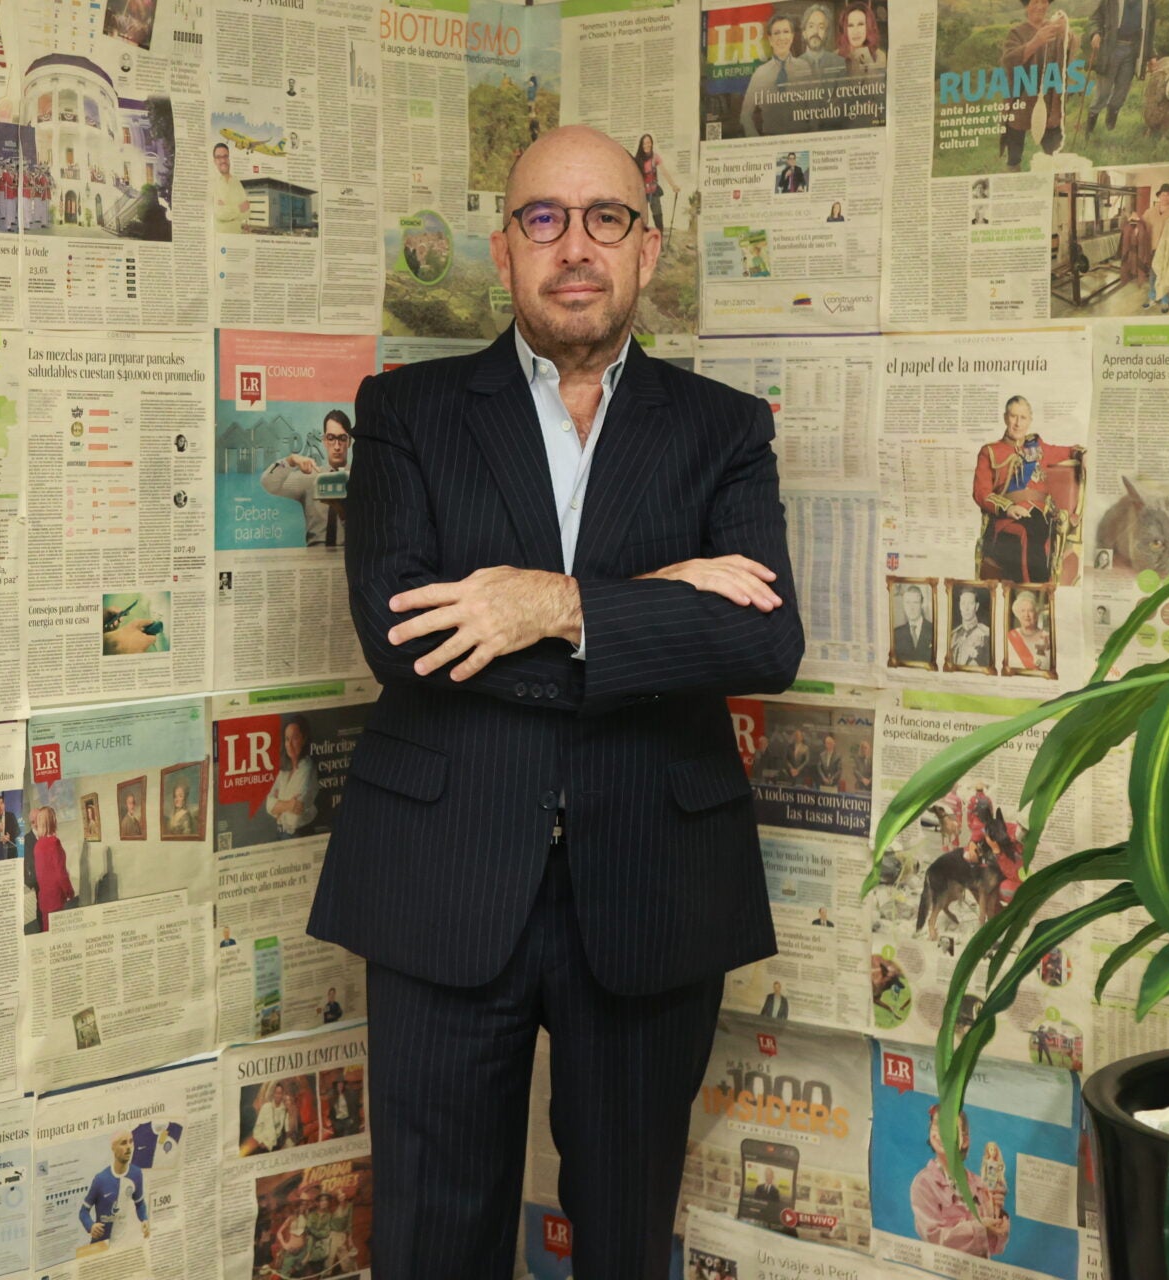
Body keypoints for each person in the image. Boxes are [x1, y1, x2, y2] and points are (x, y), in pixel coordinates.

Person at [306, 124, 803, 1280]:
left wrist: (553, 604)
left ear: (647, 248)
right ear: (504, 248)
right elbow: (404, 637)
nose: (574, 246)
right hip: (443, 878)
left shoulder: (725, 428)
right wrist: (655, 605)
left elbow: (765, 638)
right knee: (434, 1243)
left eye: (605, 218)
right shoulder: (407, 412)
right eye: (543, 218)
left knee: (625, 1243)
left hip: (652, 884)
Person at [971, 396, 1084, 584]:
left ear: (1030, 420)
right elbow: (981, 492)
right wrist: (1008, 507)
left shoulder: (1038, 448)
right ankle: (1033, 591)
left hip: (1041, 516)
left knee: (1038, 525)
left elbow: (1068, 451)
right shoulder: (989, 451)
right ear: (1005, 418)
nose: (1017, 423)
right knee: (1030, 530)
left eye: (1023, 418)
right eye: (1013, 416)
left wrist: (1082, 454)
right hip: (1006, 520)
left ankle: (1039, 591)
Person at [910, 1105, 1010, 1258]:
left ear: (965, 1141)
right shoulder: (923, 1184)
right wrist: (981, 1227)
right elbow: (934, 1238)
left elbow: (995, 1247)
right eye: (937, 1124)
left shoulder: (980, 1184)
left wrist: (997, 1215)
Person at [998, 0, 1078, 170]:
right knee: (1014, 149)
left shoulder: (1054, 28)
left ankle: (1053, 174)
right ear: (1027, 5)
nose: (1040, 6)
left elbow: (1070, 51)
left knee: (1053, 150)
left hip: (1050, 101)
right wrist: (1036, 41)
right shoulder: (1016, 32)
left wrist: (1067, 34)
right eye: (1035, 1)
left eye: (1044, 1)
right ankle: (1013, 170)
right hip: (1021, 99)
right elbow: (1009, 61)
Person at [261, 410, 351, 547]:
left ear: (349, 441)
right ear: (324, 441)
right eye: (331, 438)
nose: (337, 446)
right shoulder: (310, 478)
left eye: (342, 438)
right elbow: (268, 482)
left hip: (349, 554)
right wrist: (290, 461)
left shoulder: (362, 480)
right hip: (314, 555)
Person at [1085, 0, 1158, 136]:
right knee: (1103, 93)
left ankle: (1110, 125)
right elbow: (1095, 19)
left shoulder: (1148, 4)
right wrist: (1095, 33)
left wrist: (1151, 55)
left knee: (1121, 93)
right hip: (1110, 49)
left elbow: (1149, 33)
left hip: (1133, 52)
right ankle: (1090, 129)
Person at [739, 14, 813, 137]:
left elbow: (815, 109)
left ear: (792, 36)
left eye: (786, 32)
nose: (782, 37)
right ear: (770, 39)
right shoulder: (760, 73)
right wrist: (756, 142)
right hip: (771, 137)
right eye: (777, 33)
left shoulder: (804, 67)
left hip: (801, 137)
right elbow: (745, 116)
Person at [80, 1131, 150, 1245]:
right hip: (101, 1244)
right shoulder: (100, 1179)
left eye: (131, 1142)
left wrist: (144, 1219)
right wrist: (91, 1226)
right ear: (113, 1148)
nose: (129, 1147)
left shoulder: (136, 1174)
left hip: (122, 1243)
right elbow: (83, 1211)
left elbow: (140, 1203)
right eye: (123, 1143)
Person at [265, 714, 319, 838]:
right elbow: (268, 804)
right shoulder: (284, 771)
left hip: (299, 835)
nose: (289, 744)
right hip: (280, 833)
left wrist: (279, 807)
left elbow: (294, 819)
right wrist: (289, 804)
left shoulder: (307, 768)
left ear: (304, 739)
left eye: (294, 738)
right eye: (287, 739)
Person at [31, 806, 75, 932]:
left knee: (47, 930)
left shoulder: (38, 845)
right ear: (52, 821)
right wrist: (69, 891)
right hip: (55, 898)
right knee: (57, 932)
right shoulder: (54, 843)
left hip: (44, 897)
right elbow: (60, 874)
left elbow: (40, 873)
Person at [1140, 185, 1169, 311]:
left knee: (1167, 275)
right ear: (1159, 196)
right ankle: (1153, 298)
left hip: (1168, 249)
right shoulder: (1150, 211)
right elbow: (1142, 224)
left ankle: (1165, 300)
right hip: (1153, 249)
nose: (1165, 197)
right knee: (1153, 274)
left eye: (1168, 195)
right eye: (1163, 194)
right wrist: (1135, 220)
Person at [630, 134, 678, 241]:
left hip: (653, 191)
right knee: (642, 219)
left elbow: (664, 172)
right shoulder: (637, 159)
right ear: (641, 145)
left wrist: (673, 185)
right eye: (644, 143)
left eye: (648, 142)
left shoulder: (655, 157)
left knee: (658, 217)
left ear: (651, 143)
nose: (646, 145)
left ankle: (659, 242)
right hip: (642, 193)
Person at [1006, 588, 1052, 670]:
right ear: (1017, 614)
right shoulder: (1009, 637)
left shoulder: (1047, 637)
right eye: (1022, 611)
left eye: (1030, 610)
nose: (1026, 615)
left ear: (1036, 613)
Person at [948, 587, 992, 668]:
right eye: (963, 603)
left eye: (970, 603)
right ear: (959, 606)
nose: (966, 608)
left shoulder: (986, 634)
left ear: (976, 606)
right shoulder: (953, 635)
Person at [839, 1, 885, 75]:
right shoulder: (835, 56)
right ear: (844, 29)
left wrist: (868, 60)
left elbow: (877, 81)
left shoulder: (879, 55)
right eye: (850, 25)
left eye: (860, 24)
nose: (855, 31)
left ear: (868, 27)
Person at [893, 584, 934, 663]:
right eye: (907, 603)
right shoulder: (896, 634)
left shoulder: (933, 630)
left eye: (915, 602)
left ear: (921, 604)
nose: (911, 608)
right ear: (903, 605)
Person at [250, 1083, 297, 1153]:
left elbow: (287, 1130)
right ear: (273, 1094)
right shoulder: (266, 1107)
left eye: (280, 1093)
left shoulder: (284, 1110)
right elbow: (257, 1128)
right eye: (276, 1093)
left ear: (282, 1095)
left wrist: (290, 1111)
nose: (278, 1095)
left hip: (277, 1146)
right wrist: (261, 1142)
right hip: (264, 1144)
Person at [796, 3, 840, 78]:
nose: (815, 32)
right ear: (804, 32)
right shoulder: (794, 67)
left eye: (821, 27)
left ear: (826, 33)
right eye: (811, 26)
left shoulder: (839, 63)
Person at [212, 141, 246, 232]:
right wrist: (239, 208)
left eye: (225, 156)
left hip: (238, 235)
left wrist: (227, 207)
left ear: (229, 158)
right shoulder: (212, 183)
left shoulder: (237, 182)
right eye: (218, 157)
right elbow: (220, 214)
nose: (223, 160)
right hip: (221, 238)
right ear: (214, 161)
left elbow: (247, 213)